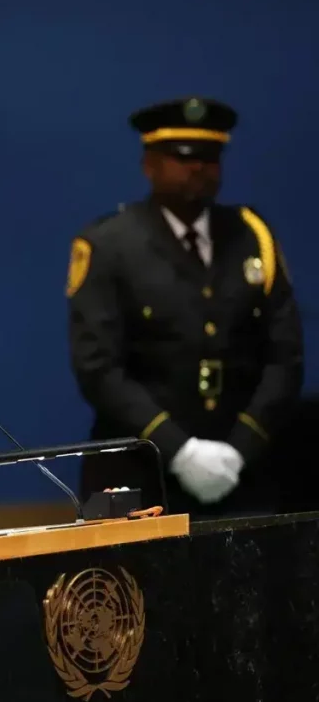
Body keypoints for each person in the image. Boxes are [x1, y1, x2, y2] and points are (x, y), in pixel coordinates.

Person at [67, 96, 304, 518]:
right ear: (149, 164)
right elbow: (98, 367)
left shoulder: (253, 235)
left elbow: (285, 355)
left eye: (210, 157)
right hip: (139, 470)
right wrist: (180, 450)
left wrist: (242, 447)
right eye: (180, 157)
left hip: (244, 471)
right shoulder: (109, 244)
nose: (197, 168)